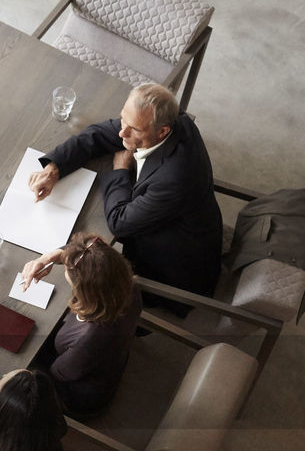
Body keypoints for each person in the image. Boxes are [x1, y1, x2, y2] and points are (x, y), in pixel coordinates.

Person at [27, 83, 221, 313]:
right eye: (122, 120)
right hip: (174, 222)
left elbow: (120, 223)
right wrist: (54, 169)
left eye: (134, 129)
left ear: (163, 131)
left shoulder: (175, 179)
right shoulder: (165, 118)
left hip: (172, 270)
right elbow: (99, 134)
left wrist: (119, 170)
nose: (122, 133)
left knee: (80, 293)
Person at [22, 232, 142, 414]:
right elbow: (94, 256)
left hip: (78, 393)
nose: (66, 271)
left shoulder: (90, 338)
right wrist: (54, 256)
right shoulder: (126, 285)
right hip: (105, 358)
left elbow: (58, 373)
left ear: (86, 292)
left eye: (69, 275)